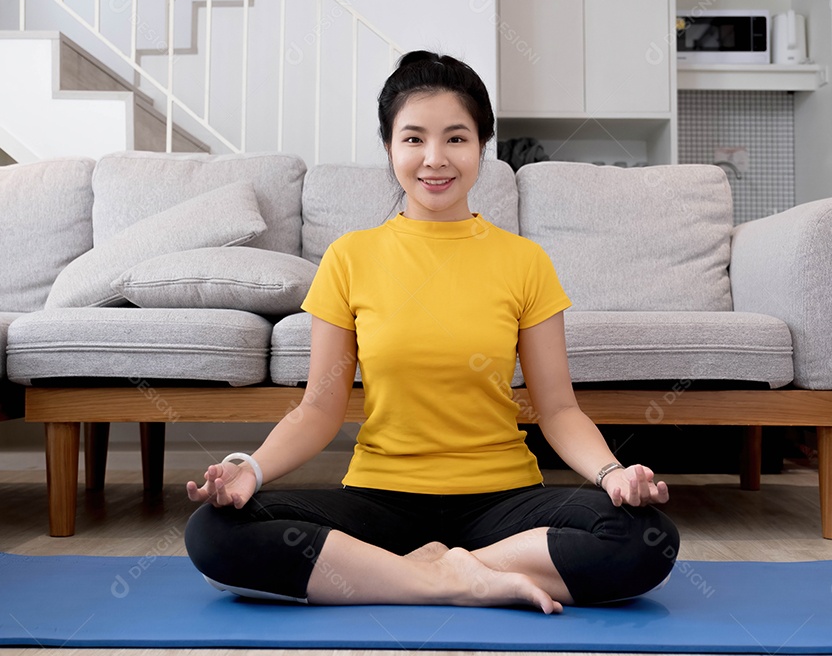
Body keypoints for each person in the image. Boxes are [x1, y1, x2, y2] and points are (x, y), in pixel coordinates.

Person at [184, 51, 679, 614]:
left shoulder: (524, 261)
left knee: (646, 537)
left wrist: (613, 475)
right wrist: (247, 470)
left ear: (482, 148)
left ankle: (403, 576)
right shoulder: (351, 257)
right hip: (381, 503)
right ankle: (457, 579)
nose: (435, 159)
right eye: (414, 139)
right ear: (390, 147)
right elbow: (318, 410)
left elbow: (559, 410)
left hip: (504, 504)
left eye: (456, 139)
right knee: (214, 532)